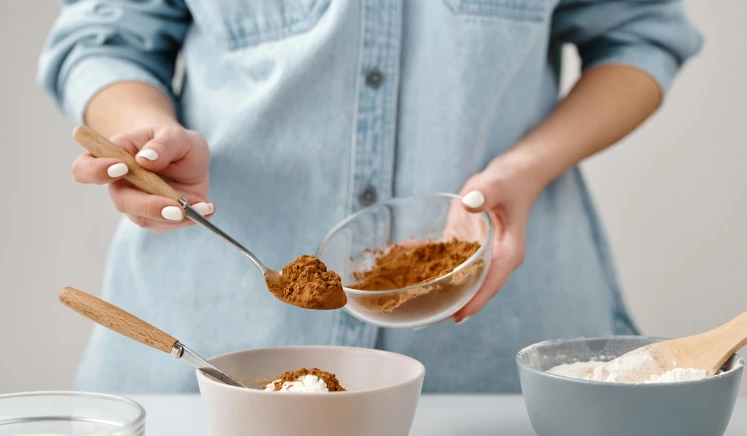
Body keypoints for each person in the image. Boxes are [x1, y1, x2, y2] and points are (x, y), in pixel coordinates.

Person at [38, 0, 701, 393]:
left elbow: (640, 38)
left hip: (487, 370)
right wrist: (143, 138)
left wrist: (525, 168)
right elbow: (104, 37)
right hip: (208, 353)